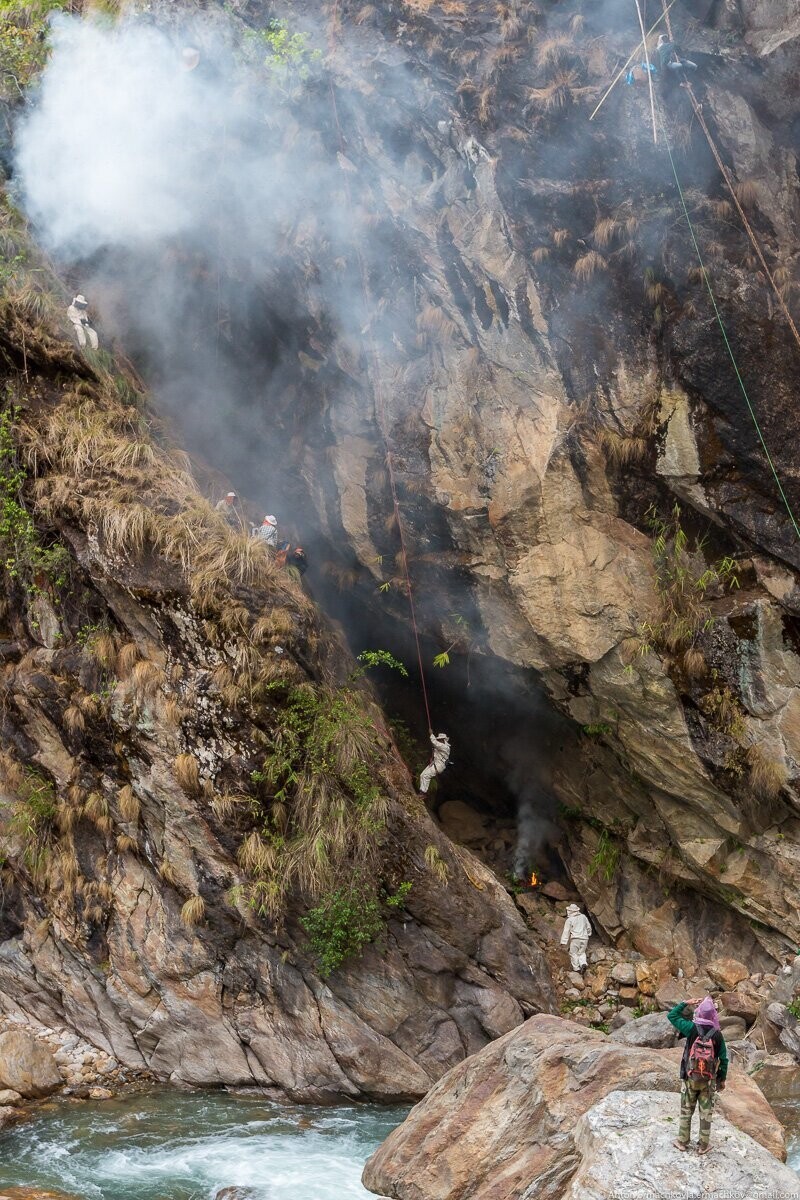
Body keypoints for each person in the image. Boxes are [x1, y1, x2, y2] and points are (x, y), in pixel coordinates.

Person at [668, 996, 728, 1155]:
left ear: (699, 1012)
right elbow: (724, 1059)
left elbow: (672, 1016)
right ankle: (703, 1146)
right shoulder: (717, 1034)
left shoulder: (691, 1028)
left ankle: (682, 1142)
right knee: (706, 1113)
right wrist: (721, 1080)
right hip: (708, 1081)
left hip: (690, 1077)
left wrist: (685, 1003)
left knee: (686, 1110)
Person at [560, 903, 592, 972]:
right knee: (582, 952)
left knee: (573, 953)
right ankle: (583, 963)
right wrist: (589, 933)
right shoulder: (583, 917)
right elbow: (588, 926)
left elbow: (566, 931)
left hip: (575, 939)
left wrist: (563, 942)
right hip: (585, 938)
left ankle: (576, 968)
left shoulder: (569, 920)